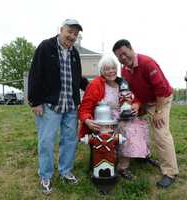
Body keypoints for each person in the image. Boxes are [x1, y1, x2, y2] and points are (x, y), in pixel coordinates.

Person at [28, 19, 89, 195]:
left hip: (70, 105)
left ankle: (66, 172)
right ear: (61, 30)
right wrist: (35, 101)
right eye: (69, 32)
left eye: (75, 35)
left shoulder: (74, 53)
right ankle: (45, 175)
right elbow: (35, 74)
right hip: (49, 105)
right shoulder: (45, 47)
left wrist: (95, 87)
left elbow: (77, 79)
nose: (72, 36)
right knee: (46, 141)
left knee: (69, 140)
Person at [112, 39, 179, 188]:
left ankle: (170, 172)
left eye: (124, 53)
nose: (123, 58)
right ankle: (143, 154)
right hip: (144, 100)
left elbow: (160, 88)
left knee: (161, 132)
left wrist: (159, 112)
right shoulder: (124, 70)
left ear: (131, 49)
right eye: (119, 56)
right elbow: (132, 92)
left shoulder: (147, 63)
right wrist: (136, 104)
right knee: (130, 123)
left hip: (161, 99)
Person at [78, 55, 151, 180]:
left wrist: (136, 105)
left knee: (138, 125)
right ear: (101, 71)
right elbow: (85, 107)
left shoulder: (122, 83)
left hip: (122, 116)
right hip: (104, 119)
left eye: (113, 68)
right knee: (127, 130)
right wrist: (87, 120)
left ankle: (127, 162)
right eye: (107, 69)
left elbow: (134, 99)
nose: (111, 71)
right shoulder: (96, 84)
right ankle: (119, 164)